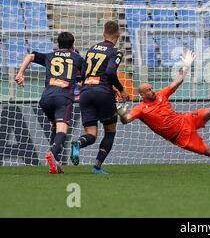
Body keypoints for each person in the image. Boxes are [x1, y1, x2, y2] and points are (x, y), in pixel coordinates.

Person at [116, 50, 210, 164]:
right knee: (206, 150)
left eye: (151, 88)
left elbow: (177, 82)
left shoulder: (162, 94)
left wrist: (186, 66)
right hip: (180, 137)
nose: (152, 91)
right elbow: (126, 120)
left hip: (185, 120)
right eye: (148, 90)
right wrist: (122, 114)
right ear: (142, 94)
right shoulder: (140, 109)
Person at [15, 32, 84, 174]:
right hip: (63, 98)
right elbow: (82, 81)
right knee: (62, 129)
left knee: (55, 126)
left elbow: (30, 55)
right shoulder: (78, 58)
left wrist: (20, 73)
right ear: (72, 44)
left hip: (46, 98)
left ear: (58, 44)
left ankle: (56, 162)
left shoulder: (50, 56)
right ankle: (52, 154)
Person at [71, 21, 130, 174]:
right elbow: (110, 72)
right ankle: (97, 166)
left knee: (91, 133)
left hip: (85, 93)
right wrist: (121, 89)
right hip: (102, 92)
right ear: (118, 35)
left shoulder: (91, 49)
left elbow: (82, 74)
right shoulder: (115, 51)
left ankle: (78, 143)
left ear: (103, 33)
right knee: (110, 130)